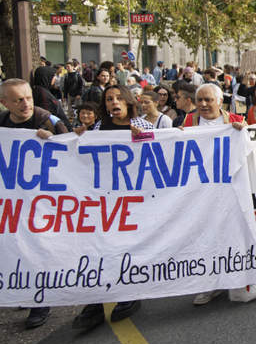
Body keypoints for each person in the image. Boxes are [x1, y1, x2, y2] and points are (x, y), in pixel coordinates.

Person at [71, 85, 153, 330]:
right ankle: (96, 304)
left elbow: (161, 151)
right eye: (109, 99)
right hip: (104, 200)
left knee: (126, 247)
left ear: (128, 102)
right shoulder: (96, 129)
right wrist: (72, 139)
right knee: (101, 248)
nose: (113, 102)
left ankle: (129, 294)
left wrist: (141, 138)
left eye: (118, 98)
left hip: (134, 199)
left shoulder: (144, 126)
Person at [0, 79, 69, 329]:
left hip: (46, 201)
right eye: (18, 100)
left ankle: (41, 301)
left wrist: (52, 141)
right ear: (4, 103)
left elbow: (74, 148)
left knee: (38, 246)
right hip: (16, 200)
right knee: (17, 247)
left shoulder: (48, 119)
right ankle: (25, 290)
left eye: (28, 97)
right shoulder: (3, 124)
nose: (25, 103)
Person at [180, 83, 246, 306]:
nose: (204, 104)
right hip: (201, 192)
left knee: (232, 233)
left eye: (209, 100)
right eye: (200, 100)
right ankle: (208, 285)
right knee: (204, 236)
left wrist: (244, 131)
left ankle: (235, 278)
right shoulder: (188, 122)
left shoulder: (235, 119)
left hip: (231, 189)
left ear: (220, 102)